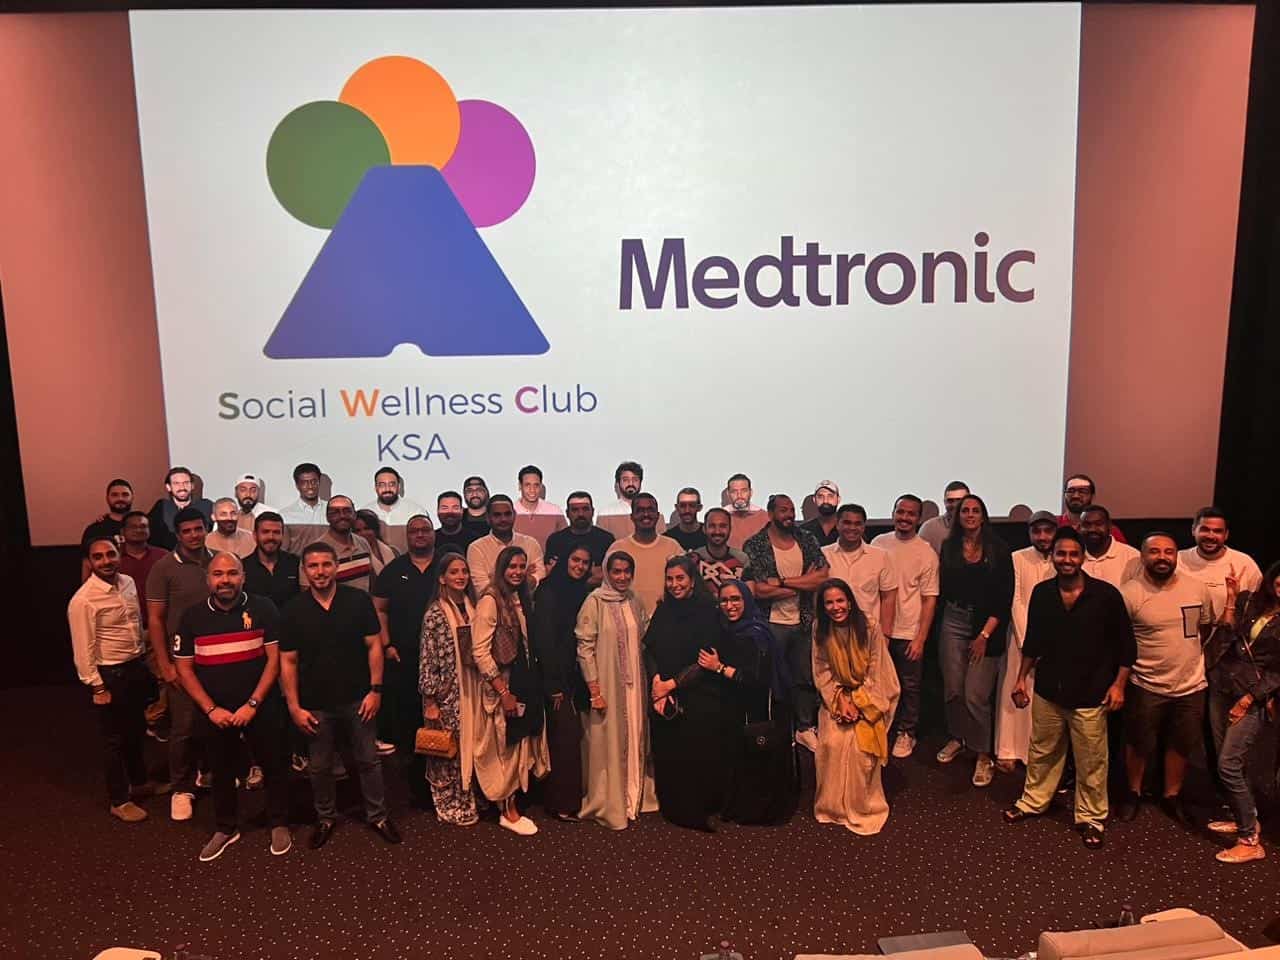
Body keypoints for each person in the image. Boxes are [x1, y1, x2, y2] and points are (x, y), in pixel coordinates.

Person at [1003, 527, 1134, 849]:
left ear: (1083, 558)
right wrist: (1020, 679)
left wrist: (1119, 685)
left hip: (1091, 692)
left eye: (1074, 554)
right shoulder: (1042, 593)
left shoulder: (1106, 595)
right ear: (1052, 556)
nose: (1067, 559)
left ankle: (1091, 817)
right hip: (1049, 688)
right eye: (1061, 553)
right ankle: (1033, 801)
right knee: (1042, 750)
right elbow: (1033, 641)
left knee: (1092, 760)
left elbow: (1126, 645)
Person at [279, 542, 400, 849]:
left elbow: (374, 646)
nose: (320, 571)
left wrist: (376, 690)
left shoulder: (358, 601)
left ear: (336, 567)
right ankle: (325, 818)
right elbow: (288, 662)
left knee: (368, 760)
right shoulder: (293, 609)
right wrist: (293, 706)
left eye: (326, 564)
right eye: (313, 566)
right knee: (319, 766)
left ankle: (378, 816)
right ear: (305, 570)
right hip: (314, 704)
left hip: (359, 698)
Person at [173, 553, 291, 861]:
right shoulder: (192, 616)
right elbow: (184, 669)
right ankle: (226, 828)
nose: (225, 580)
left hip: (259, 705)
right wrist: (211, 709)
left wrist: (253, 704)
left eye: (232, 573)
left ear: (243, 577)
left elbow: (274, 660)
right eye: (218, 574)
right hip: (215, 711)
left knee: (274, 765)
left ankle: (279, 822)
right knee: (220, 770)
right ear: (208, 579)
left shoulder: (264, 607)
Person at [1117, 532, 1214, 825]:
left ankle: (1172, 795)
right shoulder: (1129, 593)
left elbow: (1204, 629)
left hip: (1191, 685)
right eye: (1155, 551)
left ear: (1176, 555)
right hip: (1146, 683)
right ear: (1143, 556)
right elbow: (1120, 641)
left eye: (1168, 552)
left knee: (1181, 743)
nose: (1162, 557)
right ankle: (1133, 793)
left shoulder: (1197, 588)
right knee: (1138, 742)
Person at [69, 537, 161, 822]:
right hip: (109, 675)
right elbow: (82, 649)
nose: (106, 561)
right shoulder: (83, 600)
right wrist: (97, 686)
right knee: (114, 740)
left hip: (134, 667)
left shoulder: (128, 583)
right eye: (98, 557)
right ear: (89, 562)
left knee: (135, 731)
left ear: (119, 554)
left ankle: (139, 783)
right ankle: (119, 800)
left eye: (110, 554)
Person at [645, 555, 734, 831]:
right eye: (670, 579)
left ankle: (701, 807)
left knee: (697, 752)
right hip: (664, 695)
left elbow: (705, 660)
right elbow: (650, 648)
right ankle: (674, 806)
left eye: (680, 578)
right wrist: (657, 683)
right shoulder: (663, 610)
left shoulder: (708, 612)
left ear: (693, 580)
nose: (675, 584)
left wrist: (671, 685)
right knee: (669, 753)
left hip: (699, 693)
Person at [1203, 560, 1280, 863]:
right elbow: (1228, 636)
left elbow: (1277, 673)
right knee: (1230, 758)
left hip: (1251, 695)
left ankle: (1249, 840)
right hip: (1222, 684)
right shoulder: (1252, 602)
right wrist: (1232, 599)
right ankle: (1245, 817)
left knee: (1229, 764)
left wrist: (1249, 699)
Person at [935, 494, 1014, 787]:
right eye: (965, 510)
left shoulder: (999, 549)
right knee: (953, 690)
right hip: (953, 620)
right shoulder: (949, 547)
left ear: (983, 515)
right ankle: (959, 738)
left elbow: (1004, 598)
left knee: (975, 695)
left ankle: (983, 754)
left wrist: (984, 635)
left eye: (975, 510)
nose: (969, 514)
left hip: (987, 625)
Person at [811, 578, 900, 835]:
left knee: (860, 750)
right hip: (836, 698)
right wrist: (840, 700)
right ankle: (832, 808)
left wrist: (859, 703)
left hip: (869, 697)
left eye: (840, 600)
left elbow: (878, 669)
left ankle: (863, 807)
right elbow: (822, 669)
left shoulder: (870, 626)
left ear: (849, 602)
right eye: (829, 603)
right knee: (831, 743)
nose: (835, 607)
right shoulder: (820, 628)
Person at [471, 546, 550, 835]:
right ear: (501, 569)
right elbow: (480, 652)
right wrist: (503, 692)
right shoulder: (490, 600)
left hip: (524, 680)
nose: (517, 572)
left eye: (521, 566)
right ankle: (507, 811)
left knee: (519, 746)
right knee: (504, 748)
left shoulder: (521, 597)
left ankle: (513, 802)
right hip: (503, 686)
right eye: (511, 567)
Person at [742, 494, 828, 751]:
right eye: (783, 510)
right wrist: (803, 583)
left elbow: (822, 578)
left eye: (791, 510)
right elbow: (759, 590)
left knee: (805, 678)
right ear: (770, 514)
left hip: (804, 621)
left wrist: (781, 582)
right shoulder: (755, 544)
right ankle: (774, 730)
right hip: (770, 623)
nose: (789, 514)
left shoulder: (807, 539)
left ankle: (804, 728)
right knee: (770, 681)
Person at [576, 551, 655, 829]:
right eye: (616, 572)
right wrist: (595, 690)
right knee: (609, 741)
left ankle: (635, 796)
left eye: (626, 572)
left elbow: (645, 638)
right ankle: (612, 802)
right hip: (608, 686)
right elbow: (585, 648)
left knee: (635, 736)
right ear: (607, 573)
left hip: (635, 687)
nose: (622, 577)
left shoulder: (634, 600)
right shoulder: (595, 602)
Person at [146, 506, 214, 821]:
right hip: (181, 661)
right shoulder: (163, 568)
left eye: (199, 529)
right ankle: (181, 789)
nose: (194, 535)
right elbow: (156, 620)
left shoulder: (218, 562)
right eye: (187, 531)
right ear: (178, 535)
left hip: (216, 659)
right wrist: (165, 664)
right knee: (183, 728)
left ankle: (208, 771)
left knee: (213, 722)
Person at [717, 579, 797, 825]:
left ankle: (759, 811)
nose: (729, 605)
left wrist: (719, 668)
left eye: (735, 599)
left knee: (757, 756)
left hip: (760, 708)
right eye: (724, 600)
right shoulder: (729, 629)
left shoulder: (755, 634)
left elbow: (757, 680)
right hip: (739, 705)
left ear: (746, 600)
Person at [372, 514, 438, 807]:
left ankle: (441, 780)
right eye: (414, 531)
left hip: (441, 659)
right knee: (408, 722)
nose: (420, 535)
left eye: (425, 530)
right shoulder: (393, 570)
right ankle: (412, 788)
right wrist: (386, 644)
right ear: (407, 536)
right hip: (404, 657)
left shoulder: (446, 565)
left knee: (440, 720)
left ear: (433, 534)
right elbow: (379, 609)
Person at [872, 494, 940, 759]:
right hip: (878, 630)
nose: (904, 518)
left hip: (909, 632)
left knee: (909, 686)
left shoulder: (926, 552)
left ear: (919, 518)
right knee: (878, 683)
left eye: (911, 514)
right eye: (900, 512)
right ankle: (879, 728)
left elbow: (929, 599)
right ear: (893, 513)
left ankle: (906, 732)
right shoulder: (879, 544)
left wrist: (920, 638)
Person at [418, 552, 481, 826]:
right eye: (454, 572)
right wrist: (430, 700)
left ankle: (471, 796)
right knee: (449, 750)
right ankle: (450, 803)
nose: (461, 576)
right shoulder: (435, 613)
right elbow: (428, 659)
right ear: (442, 578)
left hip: (474, 689)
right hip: (446, 695)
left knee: (472, 744)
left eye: (464, 571)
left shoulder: (474, 607)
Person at [532, 544, 594, 820]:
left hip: (574, 676)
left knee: (568, 739)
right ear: (564, 560)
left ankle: (565, 800)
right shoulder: (549, 591)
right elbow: (544, 639)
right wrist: (554, 685)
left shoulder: (581, 591)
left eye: (585, 562)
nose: (579, 566)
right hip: (555, 679)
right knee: (564, 740)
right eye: (575, 560)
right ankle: (561, 805)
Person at [993, 511, 1057, 771]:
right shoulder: (1017, 557)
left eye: (1047, 531)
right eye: (1036, 531)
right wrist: (1027, 641)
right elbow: (1016, 600)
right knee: (1013, 691)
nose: (1042, 537)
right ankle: (1008, 750)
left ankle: (1037, 753)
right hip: (1020, 638)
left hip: (1053, 641)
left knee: (1043, 699)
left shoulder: (1062, 558)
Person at [821, 504, 898, 635]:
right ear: (837, 524)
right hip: (832, 633)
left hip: (869, 632)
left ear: (863, 527)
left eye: (857, 524)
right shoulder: (823, 554)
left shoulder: (880, 556)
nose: (852, 528)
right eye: (847, 523)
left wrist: (885, 634)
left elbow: (889, 597)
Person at [604, 493, 683, 619]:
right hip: (627, 621)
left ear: (657, 516)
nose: (646, 514)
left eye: (650, 510)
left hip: (668, 620)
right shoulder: (617, 548)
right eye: (640, 510)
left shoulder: (673, 547)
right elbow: (607, 591)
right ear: (632, 516)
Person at [1178, 507, 1264, 617]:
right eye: (1205, 530)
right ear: (1193, 530)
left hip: (1231, 627)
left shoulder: (1245, 563)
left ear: (1226, 535)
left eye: (1217, 531)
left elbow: (1261, 606)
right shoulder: (1178, 560)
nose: (1210, 536)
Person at [297, 495, 381, 593]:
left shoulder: (362, 542)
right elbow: (307, 591)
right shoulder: (314, 551)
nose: (342, 516)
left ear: (354, 515)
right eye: (335, 512)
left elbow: (372, 581)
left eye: (347, 511)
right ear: (327, 517)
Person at [466, 495, 545, 595]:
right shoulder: (476, 548)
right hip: (492, 604)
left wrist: (495, 579)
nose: (503, 519)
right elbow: (482, 588)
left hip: (528, 604)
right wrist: (523, 579)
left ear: (514, 515)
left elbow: (539, 577)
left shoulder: (531, 544)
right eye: (497, 515)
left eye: (507, 514)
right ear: (488, 518)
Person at [545, 490, 615, 586]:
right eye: (575, 510)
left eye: (585, 509)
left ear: (593, 512)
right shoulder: (555, 540)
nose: (581, 514)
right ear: (567, 513)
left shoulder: (606, 539)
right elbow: (550, 574)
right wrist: (590, 575)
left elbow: (612, 574)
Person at [241, 512, 301, 610]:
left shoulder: (296, 563)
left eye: (276, 532)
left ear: (282, 535)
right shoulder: (243, 567)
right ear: (255, 535)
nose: (271, 537)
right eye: (265, 532)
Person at [148, 466, 214, 550]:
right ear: (168, 487)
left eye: (186, 483)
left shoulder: (206, 506)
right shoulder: (162, 507)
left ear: (192, 485)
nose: (182, 487)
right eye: (176, 483)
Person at [80, 478, 135, 579]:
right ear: (107, 498)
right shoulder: (94, 529)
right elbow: (86, 565)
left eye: (125, 495)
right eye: (114, 495)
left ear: (132, 497)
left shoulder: (143, 527)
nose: (120, 498)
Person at [692, 508, 752, 591]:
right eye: (712, 526)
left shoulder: (742, 559)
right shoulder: (693, 559)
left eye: (723, 526)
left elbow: (750, 594)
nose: (717, 531)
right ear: (704, 529)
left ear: (730, 529)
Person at [1079, 504, 1138, 587]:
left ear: (1109, 526)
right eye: (1086, 525)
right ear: (1079, 528)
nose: (1092, 529)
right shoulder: (1073, 556)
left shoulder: (1132, 556)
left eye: (1098, 524)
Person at [1057, 473, 1127, 542]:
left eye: (1082, 491)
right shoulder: (1054, 524)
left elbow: (1123, 549)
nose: (1076, 496)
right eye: (1071, 491)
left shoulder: (1108, 530)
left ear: (1092, 496)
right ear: (1064, 495)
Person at [361, 466, 426, 528]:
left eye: (391, 484)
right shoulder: (364, 514)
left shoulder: (415, 511)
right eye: (382, 485)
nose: (387, 489)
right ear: (375, 488)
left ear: (399, 486)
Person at [919, 480, 970, 554]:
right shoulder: (929, 529)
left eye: (959, 500)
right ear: (944, 502)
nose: (955, 505)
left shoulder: (979, 527)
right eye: (950, 501)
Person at [725, 472, 769, 549]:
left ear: (750, 493)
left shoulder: (764, 517)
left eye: (744, 491)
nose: (739, 495)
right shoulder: (720, 516)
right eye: (734, 491)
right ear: (728, 494)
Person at [434, 490, 484, 555]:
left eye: (455, 508)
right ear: (437, 511)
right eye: (445, 508)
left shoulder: (476, 541)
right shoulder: (429, 540)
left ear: (462, 511)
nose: (450, 512)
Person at [799, 480, 841, 547]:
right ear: (814, 500)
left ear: (838, 499)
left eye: (830, 496)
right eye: (820, 497)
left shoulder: (848, 528)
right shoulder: (803, 530)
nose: (825, 501)